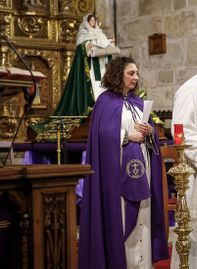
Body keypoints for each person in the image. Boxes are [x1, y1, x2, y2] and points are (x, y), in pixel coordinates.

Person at [78, 57, 169, 269]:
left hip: (141, 172)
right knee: (121, 215)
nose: (136, 78)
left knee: (143, 215)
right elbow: (102, 136)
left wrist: (148, 134)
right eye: (131, 73)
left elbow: (150, 138)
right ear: (118, 74)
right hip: (116, 173)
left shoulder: (138, 103)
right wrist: (128, 136)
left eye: (137, 73)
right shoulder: (105, 102)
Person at [54, 14, 119, 116]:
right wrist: (86, 46)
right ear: (87, 22)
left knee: (103, 84)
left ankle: (105, 107)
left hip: (101, 65)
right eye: (91, 21)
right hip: (91, 66)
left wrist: (110, 43)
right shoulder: (83, 35)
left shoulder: (100, 33)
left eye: (94, 21)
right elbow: (81, 49)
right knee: (95, 85)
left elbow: (104, 44)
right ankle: (94, 108)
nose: (93, 22)